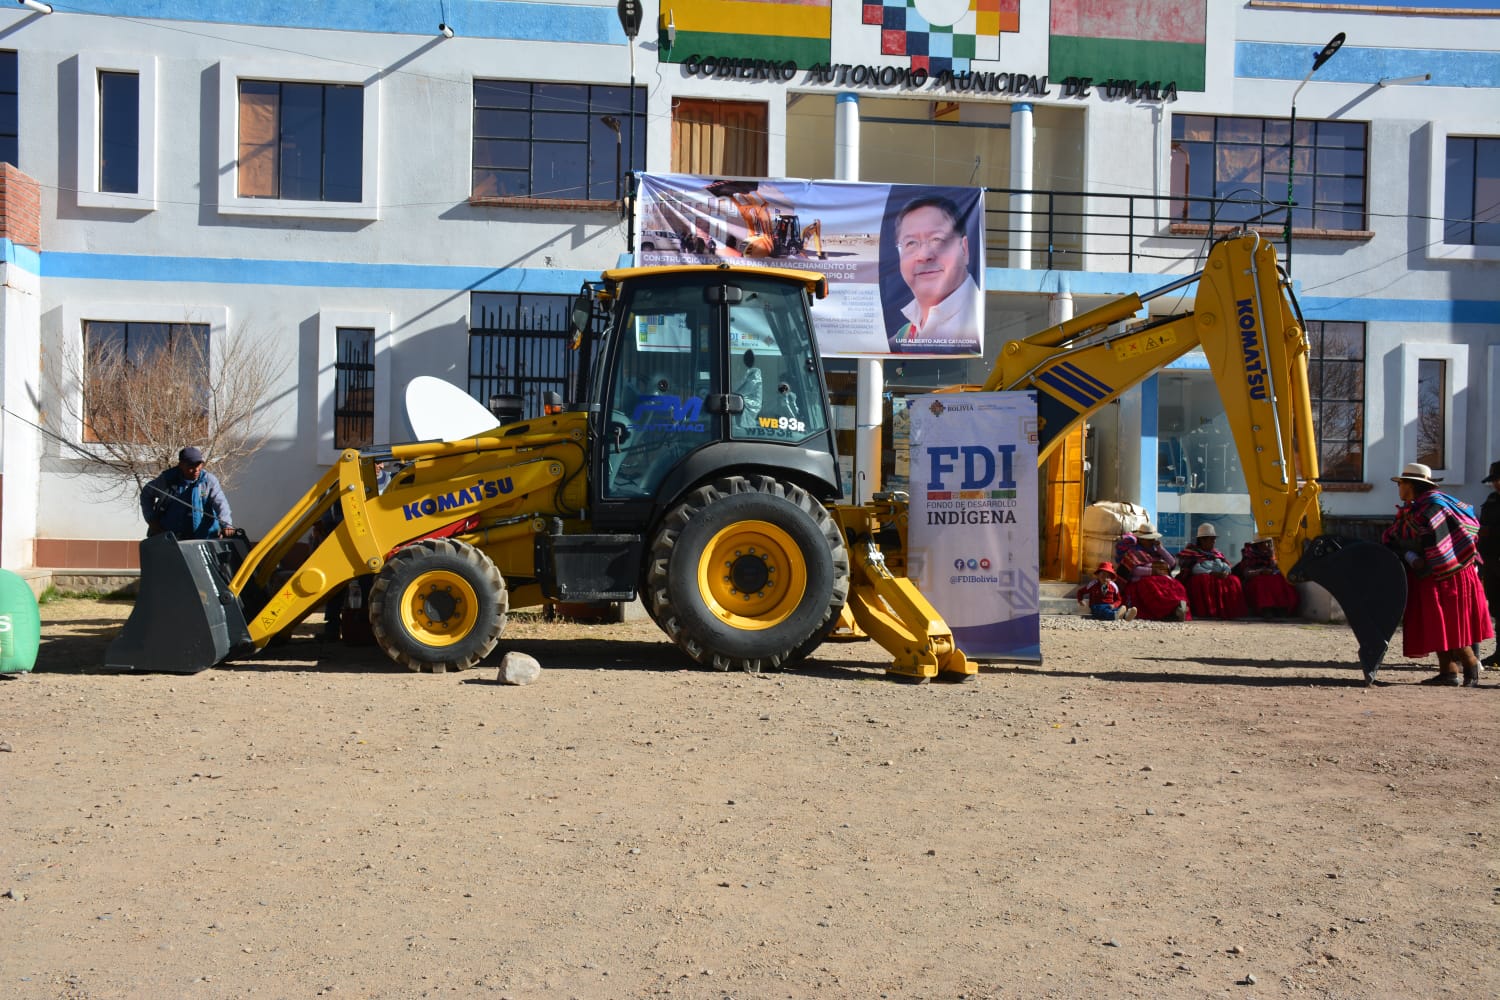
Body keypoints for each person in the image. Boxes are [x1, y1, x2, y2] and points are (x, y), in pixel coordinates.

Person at [1382, 461, 1492, 686]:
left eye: (1400, 483)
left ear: (1411, 485)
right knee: (1436, 622)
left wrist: (1417, 556)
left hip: (1447, 573)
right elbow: (1396, 537)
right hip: (1430, 573)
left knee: (1448, 622)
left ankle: (1470, 664)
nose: (1398, 488)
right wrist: (1409, 555)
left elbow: (1439, 543)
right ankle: (1448, 672)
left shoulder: (1433, 507)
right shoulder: (1416, 508)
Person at [887, 195, 981, 353]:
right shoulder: (906, 334)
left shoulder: (980, 322)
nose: (924, 256)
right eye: (911, 243)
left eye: (937, 240)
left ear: (964, 249)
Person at [140, 446, 234, 540]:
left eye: (198, 465)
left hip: (203, 538)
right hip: (170, 539)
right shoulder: (166, 480)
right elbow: (146, 494)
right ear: (181, 465)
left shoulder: (209, 481)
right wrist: (151, 520)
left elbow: (221, 503)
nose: (196, 469)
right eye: (191, 466)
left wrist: (226, 524)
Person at [1176, 522, 1247, 620]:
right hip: (1200, 576)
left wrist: (1226, 572)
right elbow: (1193, 568)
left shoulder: (1216, 553)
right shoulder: (1191, 552)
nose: (1214, 542)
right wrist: (1211, 573)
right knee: (1204, 580)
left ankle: (1227, 611)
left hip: (1218, 574)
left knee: (1234, 580)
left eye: (1214, 539)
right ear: (1202, 540)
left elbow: (1226, 565)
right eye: (1211, 539)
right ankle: (1208, 611)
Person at [1233, 536, 1300, 619]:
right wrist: (1261, 572)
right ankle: (1266, 609)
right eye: (1266, 543)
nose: (1269, 545)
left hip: (1270, 578)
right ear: (1259, 545)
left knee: (1280, 579)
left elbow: (1276, 567)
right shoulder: (1249, 556)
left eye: (1269, 543)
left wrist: (1272, 563)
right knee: (1263, 581)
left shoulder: (1271, 555)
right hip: (1254, 582)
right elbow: (1246, 573)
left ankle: (1281, 607)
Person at [1479, 460, 1500, 667]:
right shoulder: (1492, 499)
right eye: (1494, 480)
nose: (1496, 484)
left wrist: (1491, 531)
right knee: (1496, 607)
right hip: (1491, 561)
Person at [1126, 559, 1191, 622]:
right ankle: (1173, 612)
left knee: (1178, 587)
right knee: (1155, 591)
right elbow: (1134, 570)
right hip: (1147, 579)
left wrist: (1160, 551)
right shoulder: (1131, 555)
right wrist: (1155, 571)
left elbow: (1172, 563)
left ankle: (1178, 608)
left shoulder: (1156, 555)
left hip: (1165, 579)